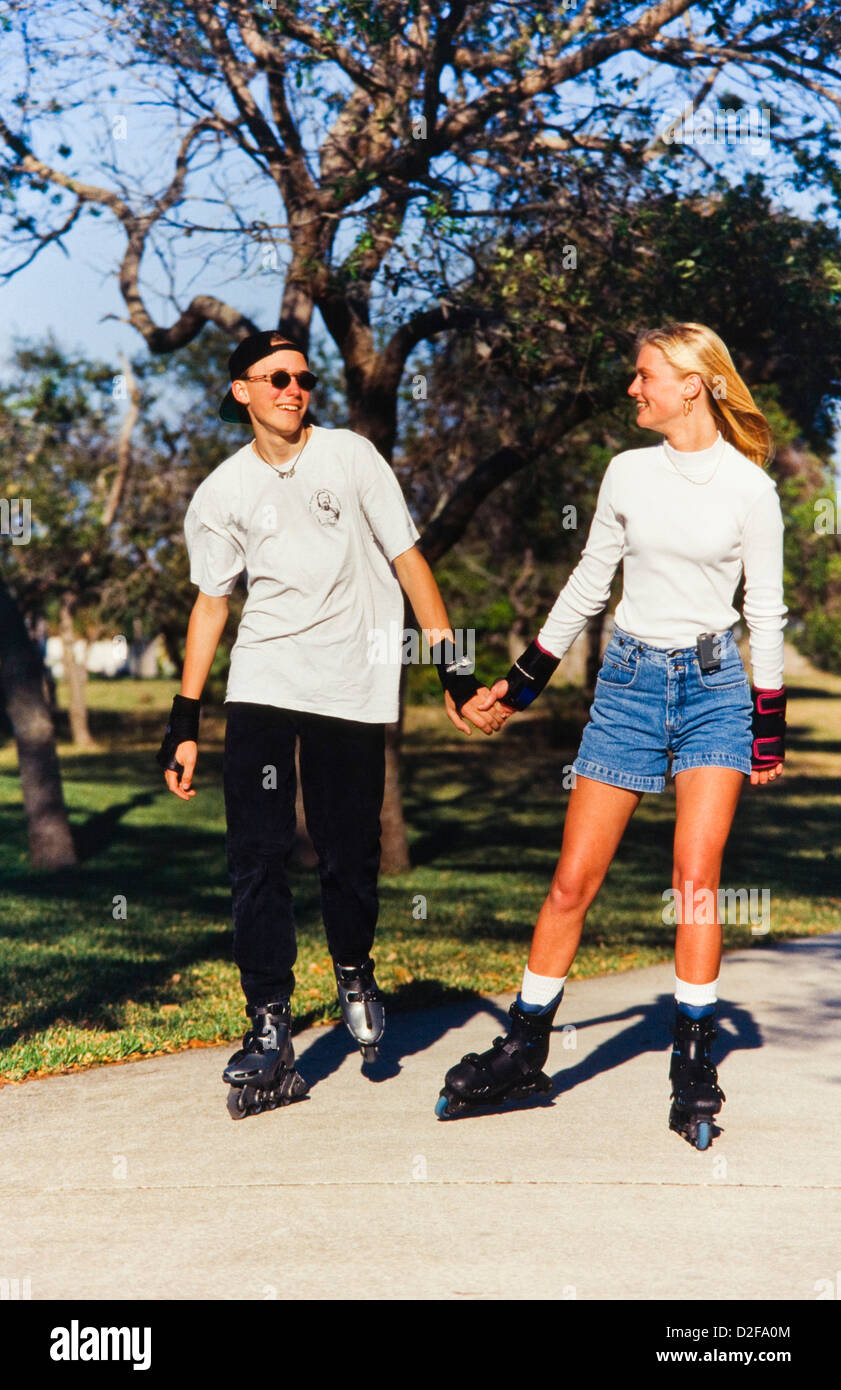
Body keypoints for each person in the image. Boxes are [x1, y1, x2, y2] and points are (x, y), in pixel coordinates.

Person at [436, 322, 787, 1150]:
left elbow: (764, 611)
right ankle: (525, 1050)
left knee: (694, 878)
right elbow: (589, 582)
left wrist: (765, 731)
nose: (633, 389)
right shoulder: (627, 471)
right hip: (628, 685)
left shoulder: (750, 489)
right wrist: (519, 686)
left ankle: (692, 1066)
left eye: (645, 377)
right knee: (571, 880)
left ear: (694, 383)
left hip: (713, 690)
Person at [156, 330, 502, 1119]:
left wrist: (450, 667)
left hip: (352, 683)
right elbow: (212, 603)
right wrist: (185, 719)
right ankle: (269, 1022)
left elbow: (411, 561)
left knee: (348, 855)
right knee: (255, 854)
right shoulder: (220, 493)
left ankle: (352, 966)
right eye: (275, 377)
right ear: (241, 391)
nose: (293, 387)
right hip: (264, 681)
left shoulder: (350, 457)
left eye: (303, 376)